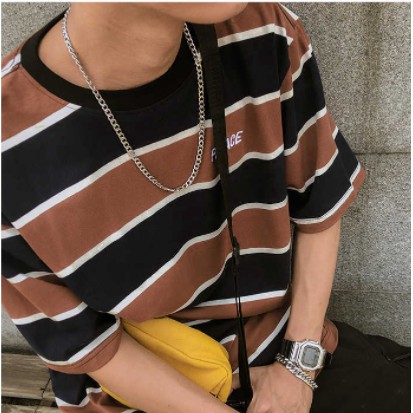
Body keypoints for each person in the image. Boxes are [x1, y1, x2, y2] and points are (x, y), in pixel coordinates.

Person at [1, 3, 409, 413]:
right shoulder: (9, 142)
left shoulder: (261, 31)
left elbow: (319, 203)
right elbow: (87, 344)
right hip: (145, 392)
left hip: (287, 351)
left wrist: (297, 368)